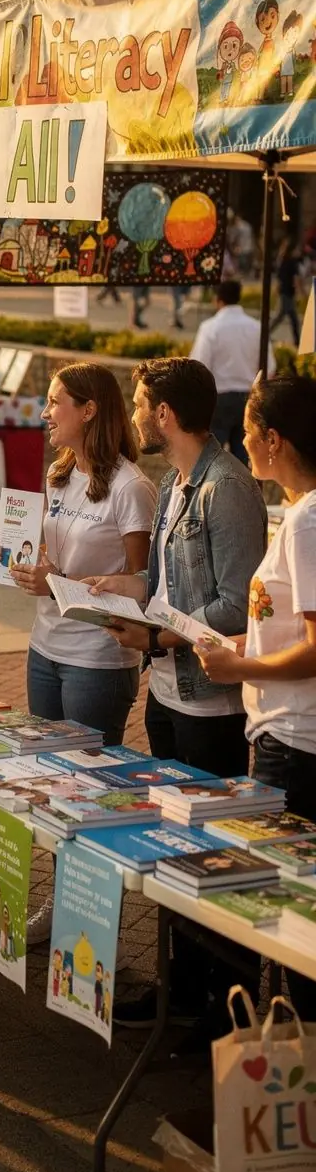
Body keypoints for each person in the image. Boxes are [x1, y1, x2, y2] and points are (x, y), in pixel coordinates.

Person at [90, 357, 266, 1035]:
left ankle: (222, 1005)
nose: (135, 415)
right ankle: (181, 990)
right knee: (173, 851)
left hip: (208, 702)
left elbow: (235, 606)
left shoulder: (227, 488)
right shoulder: (176, 481)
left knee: (211, 856)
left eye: (140, 404)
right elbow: (166, 584)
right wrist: (121, 588)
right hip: (167, 692)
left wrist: (157, 637)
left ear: (164, 413)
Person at [197, 374, 316, 1019]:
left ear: (275, 440)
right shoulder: (298, 515)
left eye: (247, 432)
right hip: (288, 735)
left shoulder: (307, 522)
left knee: (296, 924)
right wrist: (247, 643)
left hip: (295, 742)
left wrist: (241, 665)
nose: (241, 443)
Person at [0, 363, 155, 743]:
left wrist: (56, 583)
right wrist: (13, 559)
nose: (45, 413)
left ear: (88, 410)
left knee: (88, 767)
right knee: (45, 762)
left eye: (54, 402)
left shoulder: (131, 488)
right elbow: (60, 556)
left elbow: (142, 584)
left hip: (96, 657)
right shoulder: (58, 475)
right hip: (44, 645)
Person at [190, 280, 276, 465]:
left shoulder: (210, 327)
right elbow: (269, 367)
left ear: (217, 300)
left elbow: (198, 366)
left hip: (218, 398)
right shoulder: (256, 327)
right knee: (243, 460)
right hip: (250, 398)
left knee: (210, 461)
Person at [270, 237, 303, 346]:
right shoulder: (292, 262)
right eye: (297, 249)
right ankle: (264, 333)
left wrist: (276, 290)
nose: (298, 251)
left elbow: (279, 278)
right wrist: (301, 293)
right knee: (287, 317)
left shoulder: (282, 261)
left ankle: (297, 340)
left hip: (284, 292)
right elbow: (296, 279)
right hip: (288, 293)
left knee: (287, 317)